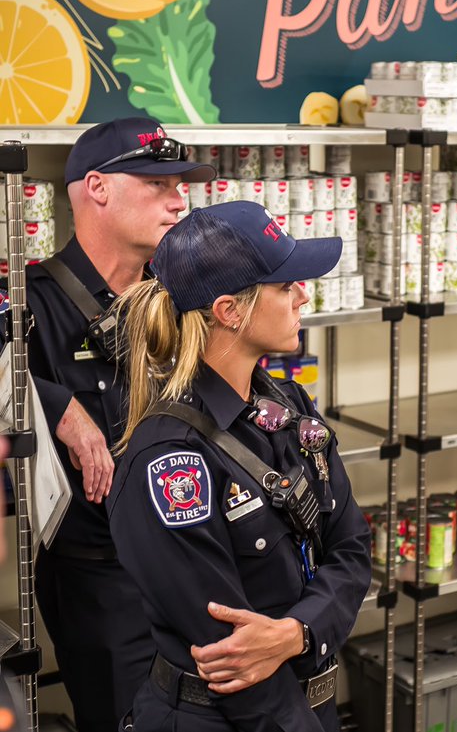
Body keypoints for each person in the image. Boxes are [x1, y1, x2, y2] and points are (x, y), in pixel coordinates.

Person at [107, 201, 371, 732]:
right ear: (230, 310)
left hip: (308, 704)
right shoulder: (171, 460)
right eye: (286, 285)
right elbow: (234, 660)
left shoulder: (290, 406)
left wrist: (297, 631)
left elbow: (352, 550)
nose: (303, 295)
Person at [25, 117, 214, 731]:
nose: (179, 197)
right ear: (98, 189)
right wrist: (54, 404)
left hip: (194, 559)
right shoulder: (30, 298)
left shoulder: (179, 293)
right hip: (101, 579)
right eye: (159, 182)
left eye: (182, 182)